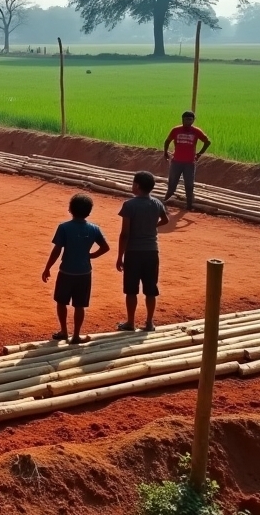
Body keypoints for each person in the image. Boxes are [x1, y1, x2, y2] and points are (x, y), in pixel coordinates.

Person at [41, 193, 110, 345]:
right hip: (84, 273)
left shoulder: (64, 227)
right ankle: (76, 335)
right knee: (79, 305)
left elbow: (57, 250)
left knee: (61, 301)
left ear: (70, 209)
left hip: (66, 271)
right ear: (89, 211)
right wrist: (91, 256)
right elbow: (105, 247)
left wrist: (47, 267)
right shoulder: (94, 229)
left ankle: (64, 331)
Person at [116, 171, 169, 332]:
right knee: (150, 289)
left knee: (131, 289)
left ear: (137, 186)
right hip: (152, 251)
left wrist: (120, 256)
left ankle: (130, 322)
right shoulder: (157, 203)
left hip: (133, 252)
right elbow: (165, 220)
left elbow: (124, 234)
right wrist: (152, 226)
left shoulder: (129, 205)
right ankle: (149, 322)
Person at [162, 111, 211, 210]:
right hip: (176, 161)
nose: (189, 121)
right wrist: (165, 152)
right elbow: (167, 141)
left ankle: (189, 205)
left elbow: (207, 142)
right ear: (182, 119)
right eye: (186, 119)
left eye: (191, 119)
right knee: (172, 183)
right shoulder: (176, 130)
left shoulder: (196, 131)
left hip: (189, 163)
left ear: (193, 120)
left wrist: (199, 154)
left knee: (189, 184)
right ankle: (165, 203)